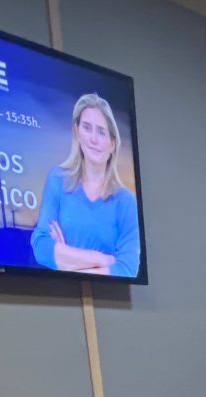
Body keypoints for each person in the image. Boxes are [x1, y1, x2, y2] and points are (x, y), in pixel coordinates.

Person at [30, 94, 141, 277]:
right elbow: (41, 247)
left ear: (112, 143)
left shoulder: (126, 201)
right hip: (59, 292)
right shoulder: (58, 179)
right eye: (87, 128)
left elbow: (127, 269)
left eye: (101, 132)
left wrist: (66, 259)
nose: (93, 139)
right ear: (77, 132)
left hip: (106, 293)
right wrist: (102, 259)